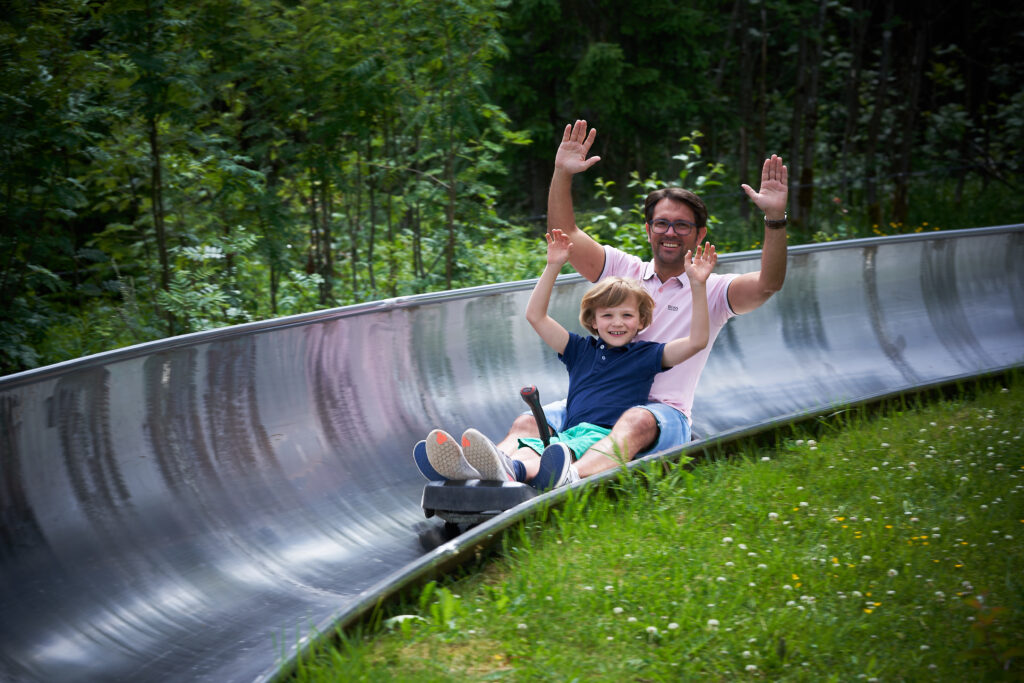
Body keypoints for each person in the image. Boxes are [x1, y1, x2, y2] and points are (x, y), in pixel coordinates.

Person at [413, 119, 788, 488]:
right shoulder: (623, 271)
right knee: (528, 422)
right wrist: (562, 173)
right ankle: (487, 474)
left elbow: (769, 284)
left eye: (681, 225)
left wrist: (773, 218)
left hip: (660, 412)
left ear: (699, 233)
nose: (670, 232)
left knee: (636, 420)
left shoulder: (709, 287)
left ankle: (571, 477)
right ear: (648, 229)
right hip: (601, 398)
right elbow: (566, 236)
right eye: (661, 224)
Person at [420, 228, 717, 490]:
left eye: (627, 315)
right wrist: (552, 266)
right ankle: (477, 472)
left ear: (641, 322)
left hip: (601, 436)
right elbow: (535, 316)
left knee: (542, 458)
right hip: (570, 432)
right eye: (608, 315)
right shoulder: (579, 350)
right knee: (529, 448)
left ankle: (511, 472)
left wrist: (698, 285)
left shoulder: (648, 353)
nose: (618, 323)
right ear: (593, 320)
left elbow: (697, 341)